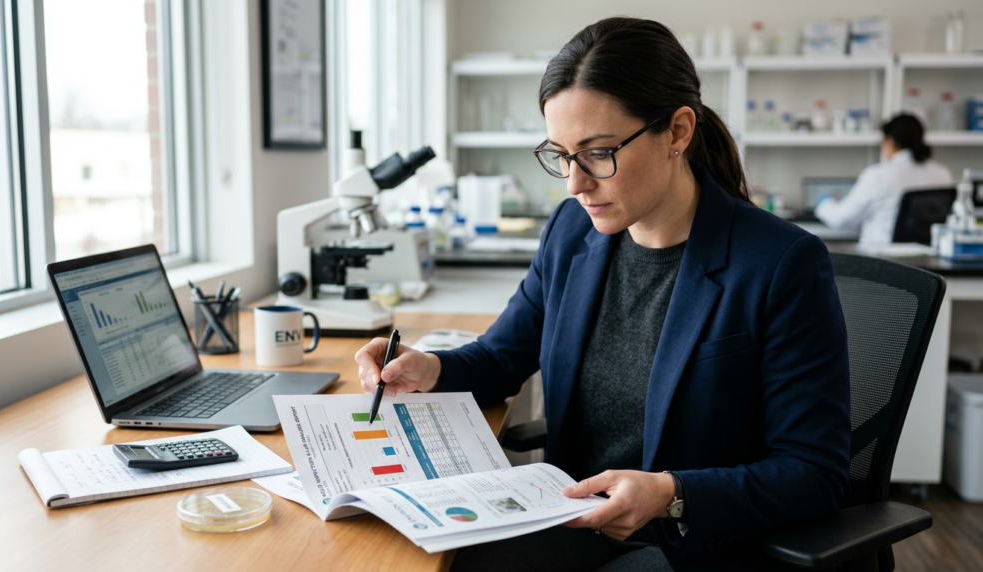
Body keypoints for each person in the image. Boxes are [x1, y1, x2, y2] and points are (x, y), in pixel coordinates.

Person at [355, 17, 851, 571]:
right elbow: (502, 355)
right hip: (569, 515)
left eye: (597, 153)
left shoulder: (780, 263)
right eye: (561, 155)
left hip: (689, 542)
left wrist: (671, 492)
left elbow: (816, 473)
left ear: (678, 132)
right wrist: (427, 367)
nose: (574, 183)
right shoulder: (572, 232)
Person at [815, 114, 954, 243]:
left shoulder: (878, 175)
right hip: (927, 264)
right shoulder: (943, 173)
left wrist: (823, 203)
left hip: (885, 262)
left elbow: (841, 220)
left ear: (891, 141)